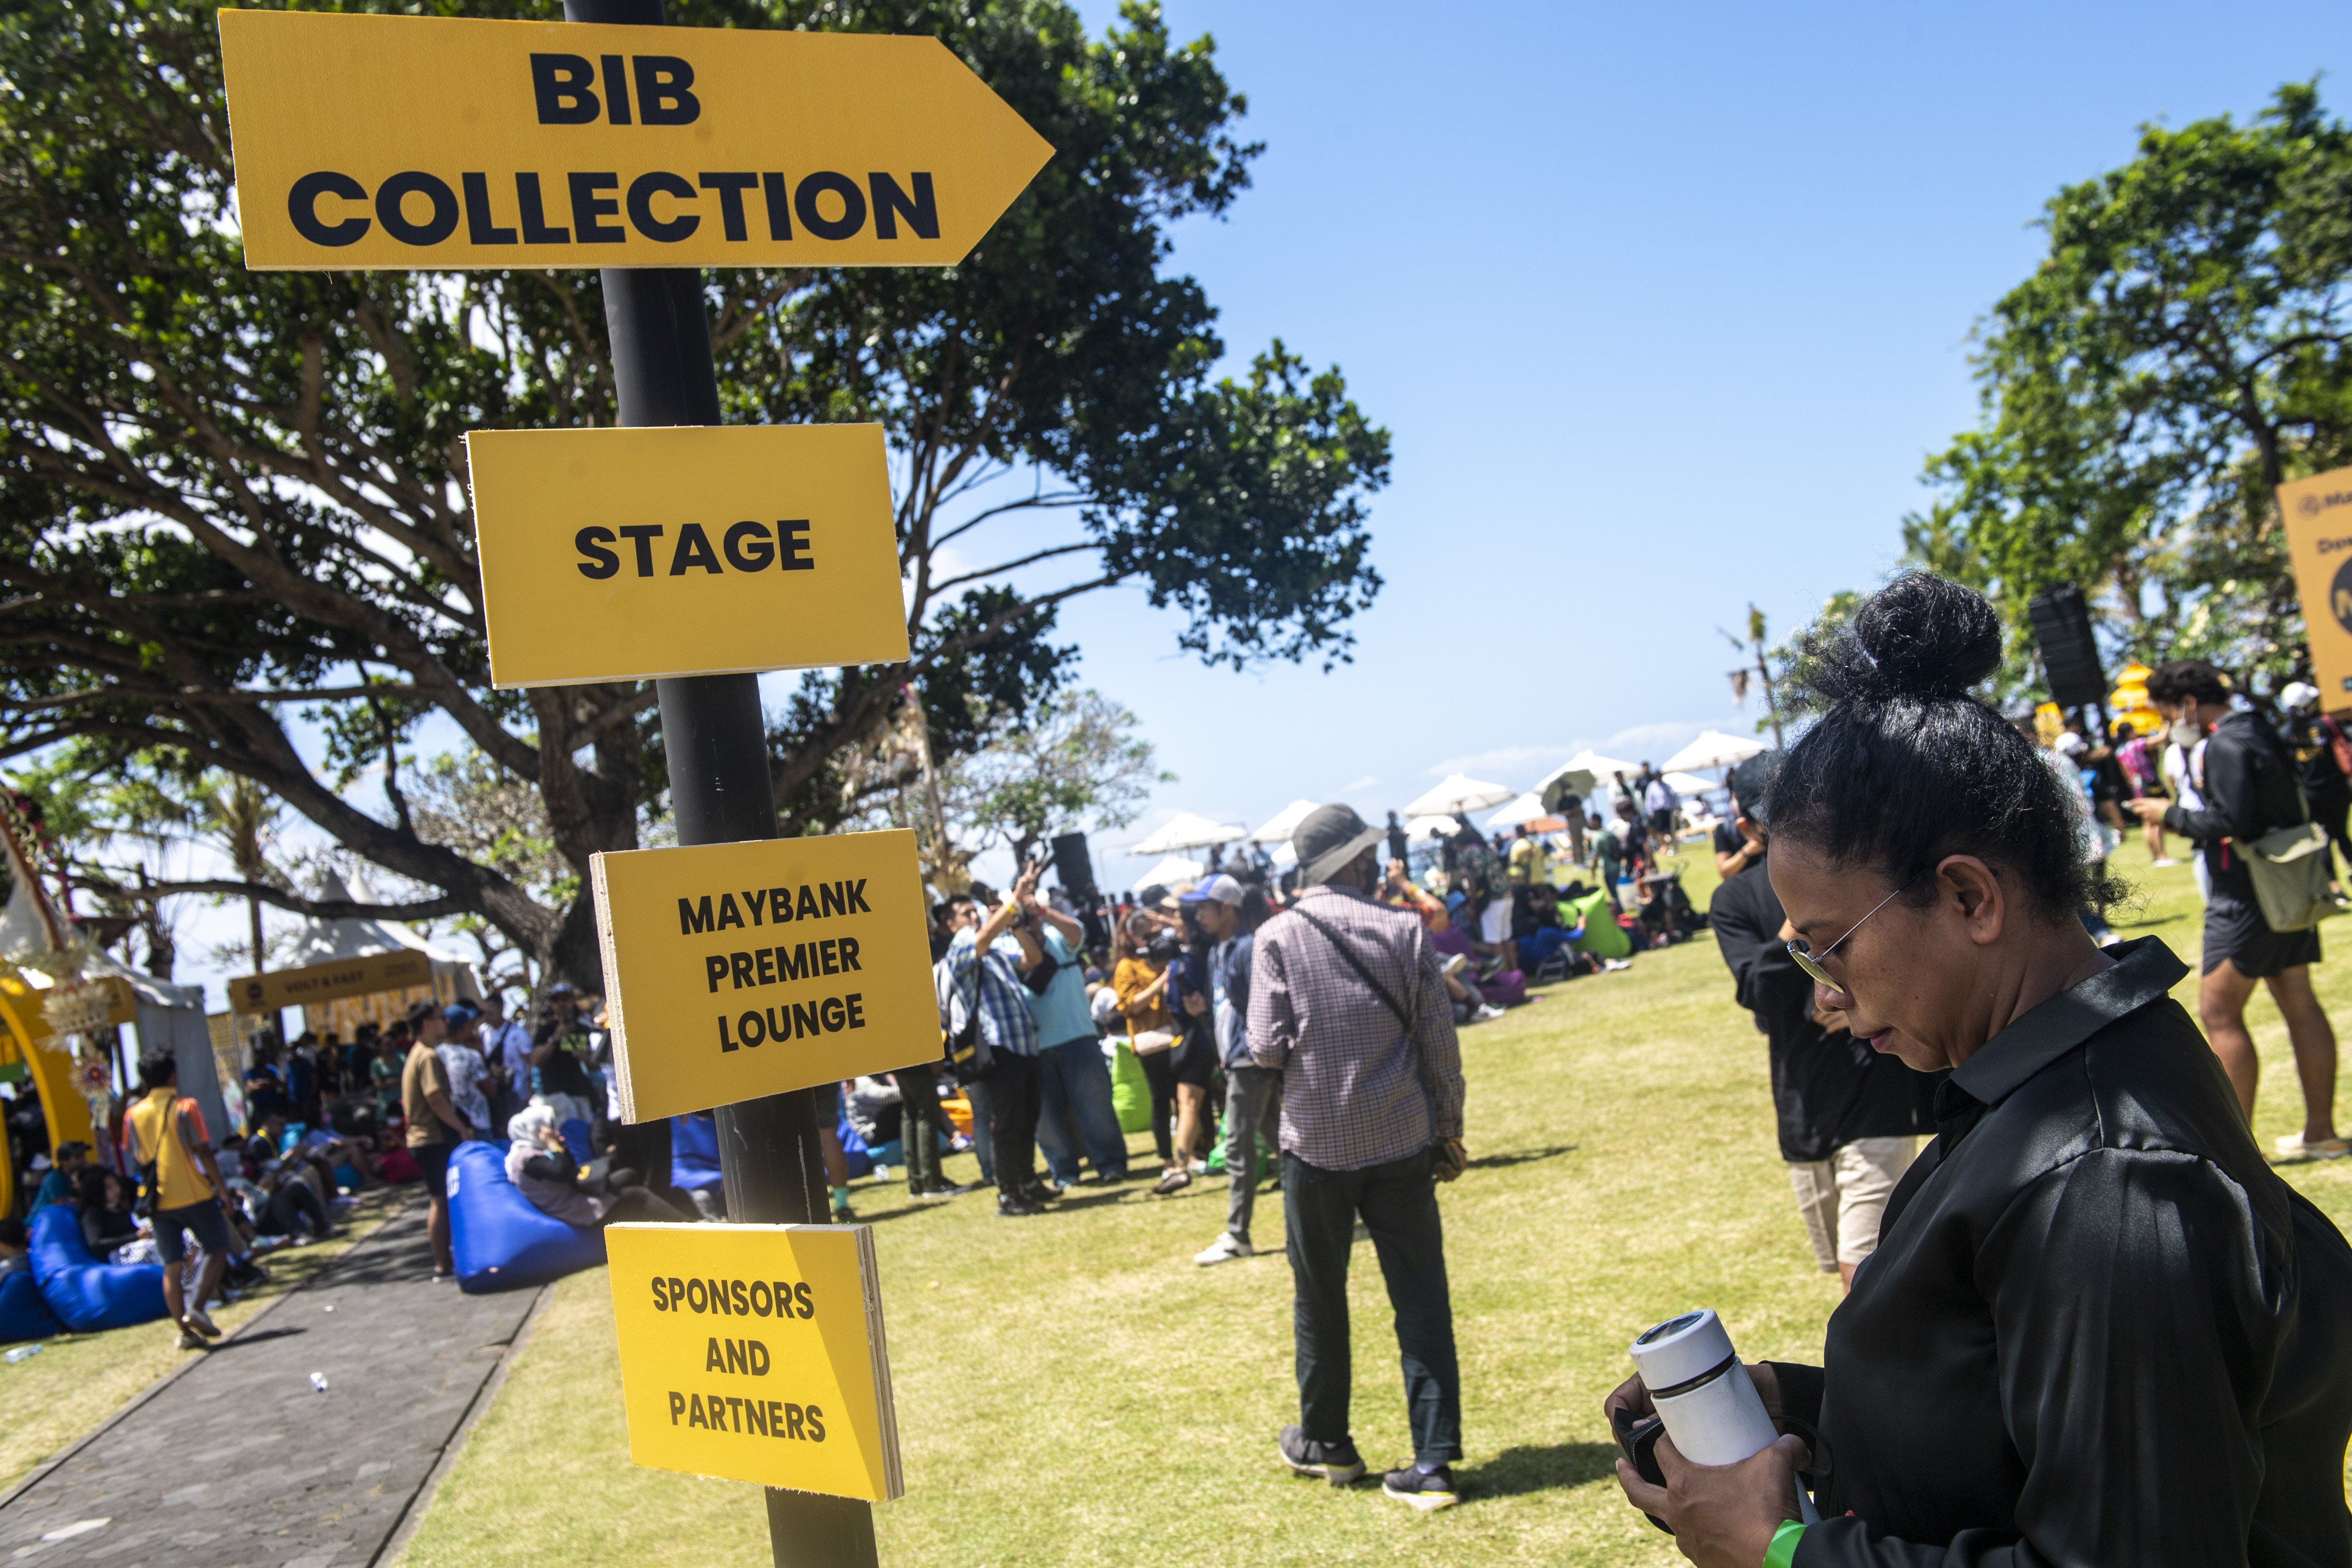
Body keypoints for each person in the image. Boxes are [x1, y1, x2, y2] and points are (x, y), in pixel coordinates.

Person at [1609, 571, 2352, 1568]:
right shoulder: (2068, 1074)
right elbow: (2026, 1416)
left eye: (1828, 947)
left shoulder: (2105, 1177)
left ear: (1968, 897)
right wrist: (1799, 1404)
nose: (1821, 995)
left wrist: (1782, 1550)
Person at [1251, 803, 1468, 1512]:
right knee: (1421, 1299)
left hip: (1314, 1144)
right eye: (1368, 855)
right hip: (1402, 1139)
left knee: (1318, 1297)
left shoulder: (1275, 937)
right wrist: (1448, 1127)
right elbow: (1439, 1041)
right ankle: (1432, 1460)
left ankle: (1327, 1442)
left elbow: (1265, 1048)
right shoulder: (1404, 929)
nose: (1376, 864)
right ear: (1353, 861)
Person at [1709, 751, 1934, 1290]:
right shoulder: (1734, 899)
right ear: (1747, 825)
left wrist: (1859, 997)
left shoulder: (1860, 871)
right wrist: (1797, 921)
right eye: (1776, 815)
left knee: (1865, 1268)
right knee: (1846, 1266)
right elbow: (1755, 988)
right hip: (1804, 1103)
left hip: (1878, 1087)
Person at [2129, 658, 2346, 1159]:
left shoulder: (2225, 741)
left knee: (2218, 1011)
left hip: (2245, 895)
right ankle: (2321, 1132)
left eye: (2168, 714)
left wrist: (2170, 814)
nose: (2170, 726)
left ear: (2186, 703)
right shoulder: (2260, 728)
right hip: (2285, 889)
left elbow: (2230, 819)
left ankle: (2238, 1151)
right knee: (2300, 1001)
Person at [1008, 870, 1130, 1190]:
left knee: (1096, 1105)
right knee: (1047, 1119)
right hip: (1034, 1046)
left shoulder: (1057, 938)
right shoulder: (1010, 946)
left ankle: (1110, 1164)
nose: (1030, 922)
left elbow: (1077, 931)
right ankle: (1064, 1173)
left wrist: (1042, 911)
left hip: (1077, 1035)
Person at [942, 875, 1052, 1216]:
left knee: (1028, 1117)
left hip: (1023, 1043)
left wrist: (1017, 925)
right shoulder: (961, 948)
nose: (974, 916)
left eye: (975, 912)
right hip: (999, 1046)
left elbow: (1033, 960)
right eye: (965, 914)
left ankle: (1026, 1180)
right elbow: (984, 937)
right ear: (951, 924)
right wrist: (1014, 899)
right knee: (1008, 1121)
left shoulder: (995, 950)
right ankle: (1009, 1193)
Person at [1185, 875, 1278, 1265]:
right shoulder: (1217, 951)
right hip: (1237, 1058)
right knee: (1285, 1141)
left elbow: (1261, 1004)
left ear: (1227, 908)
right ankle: (1343, 1203)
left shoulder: (1248, 948)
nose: (1198, 915)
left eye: (1204, 907)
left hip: (1249, 1060)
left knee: (1239, 1147)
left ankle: (1237, 1234)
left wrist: (1253, 1049)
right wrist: (1203, 1011)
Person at [124, 1051, 236, 1349]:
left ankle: (184, 1333)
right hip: (192, 1193)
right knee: (219, 1246)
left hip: (156, 1202)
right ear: (173, 1075)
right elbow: (202, 1151)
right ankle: (197, 1308)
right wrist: (222, 1190)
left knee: (171, 1265)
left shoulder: (132, 1114)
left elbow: (137, 1155)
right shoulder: (185, 1107)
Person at [505, 1106, 686, 1226]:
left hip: (579, 1193)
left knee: (628, 1175)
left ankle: (653, 1220)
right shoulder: (527, 1159)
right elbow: (563, 1172)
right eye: (548, 1127)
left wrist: (559, 1146)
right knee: (638, 1195)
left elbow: (568, 1168)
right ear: (536, 1130)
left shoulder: (534, 1152)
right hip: (573, 1207)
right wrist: (554, 1146)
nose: (553, 1130)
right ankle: (686, 1225)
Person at [1113, 911, 1189, 1187]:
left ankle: (1188, 1154)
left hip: (1177, 1034)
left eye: (1155, 930)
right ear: (1132, 936)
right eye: (1147, 933)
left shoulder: (1167, 955)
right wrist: (1159, 985)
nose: (1153, 936)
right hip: (1152, 1040)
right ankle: (1167, 1161)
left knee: (1184, 1097)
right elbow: (1129, 1007)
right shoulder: (1127, 966)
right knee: (1161, 1100)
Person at [401, 999, 469, 1279]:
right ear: (427, 1024)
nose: (446, 1023)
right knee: (440, 1200)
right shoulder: (427, 1056)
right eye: (441, 1018)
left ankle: (446, 1260)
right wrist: (460, 1128)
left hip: (424, 1138)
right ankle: (443, 1263)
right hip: (431, 1138)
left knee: (440, 1198)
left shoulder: (418, 1053)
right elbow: (435, 1098)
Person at [2280, 680, 2352, 876]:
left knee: (2324, 837)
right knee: (2340, 832)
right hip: (2337, 789)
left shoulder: (2285, 734)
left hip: (2309, 793)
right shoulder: (2325, 724)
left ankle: (2333, 885)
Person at [529, 982, 599, 1129]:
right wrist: (555, 1039)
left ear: (573, 1001)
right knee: (570, 1125)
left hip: (581, 1091)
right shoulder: (545, 1030)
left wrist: (587, 1059)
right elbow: (535, 1060)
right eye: (556, 1000)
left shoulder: (584, 1029)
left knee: (588, 1129)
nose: (561, 1003)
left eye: (565, 999)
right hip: (556, 1093)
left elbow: (596, 1067)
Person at [479, 992, 534, 1132]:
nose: (487, 1016)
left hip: (517, 1093)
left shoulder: (518, 1034)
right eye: (484, 1012)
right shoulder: (483, 1032)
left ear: (501, 1009)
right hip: (496, 1095)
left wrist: (532, 1090)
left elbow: (532, 1063)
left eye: (490, 1012)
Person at [436, 1004, 492, 1139]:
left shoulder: (436, 1054)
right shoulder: (471, 1056)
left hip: (453, 1124)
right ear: (462, 1028)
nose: (472, 1027)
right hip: (478, 1123)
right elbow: (491, 1090)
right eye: (469, 1024)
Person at [76, 1166, 139, 1257]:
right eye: (109, 1187)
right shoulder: (92, 1214)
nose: (117, 1190)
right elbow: (96, 1244)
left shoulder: (117, 1208)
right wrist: (137, 1237)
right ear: (96, 1191)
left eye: (116, 1184)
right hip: (122, 1256)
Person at [34, 1141, 86, 1206]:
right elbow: (59, 1203)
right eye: (78, 1157)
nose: (83, 1160)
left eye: (83, 1156)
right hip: (44, 1216)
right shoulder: (54, 1177)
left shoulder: (79, 1176)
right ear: (63, 1161)